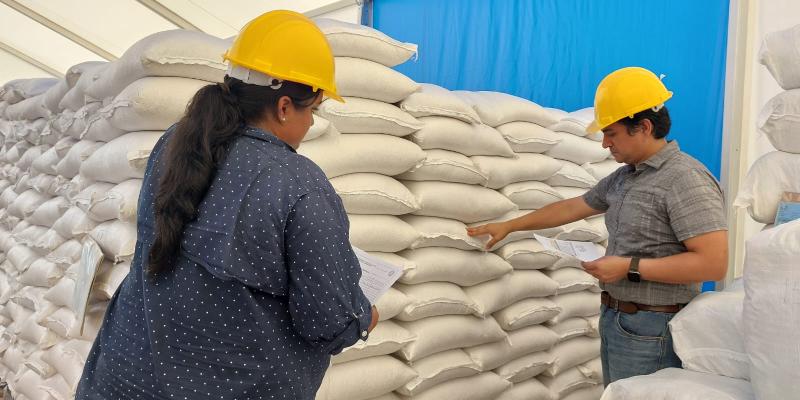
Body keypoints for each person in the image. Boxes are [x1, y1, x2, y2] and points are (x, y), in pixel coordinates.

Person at [77, 10, 377, 399]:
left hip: (121, 377)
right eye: (313, 111)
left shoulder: (177, 143)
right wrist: (364, 317)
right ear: (285, 106)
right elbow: (329, 324)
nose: (310, 125)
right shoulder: (299, 184)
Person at [467, 66, 728, 385]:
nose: (605, 144)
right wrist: (511, 225)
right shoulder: (627, 176)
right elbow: (574, 206)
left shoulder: (685, 179)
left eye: (611, 133)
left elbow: (713, 264)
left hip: (655, 326)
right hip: (619, 318)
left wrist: (628, 268)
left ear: (643, 127)